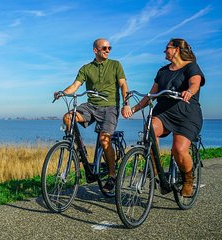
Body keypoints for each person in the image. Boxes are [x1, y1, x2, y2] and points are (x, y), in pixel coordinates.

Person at [127, 38, 205, 197]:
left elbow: (195, 83)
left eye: (167, 48)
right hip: (163, 112)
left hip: (186, 113)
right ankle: (156, 170)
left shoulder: (191, 67)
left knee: (179, 150)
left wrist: (189, 91)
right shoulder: (162, 71)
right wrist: (133, 109)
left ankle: (188, 179)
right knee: (150, 128)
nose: (165, 51)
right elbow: (150, 95)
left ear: (176, 49)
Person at [54, 38, 132, 192]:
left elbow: (123, 84)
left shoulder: (115, 65)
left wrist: (126, 103)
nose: (108, 50)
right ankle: (78, 152)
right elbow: (75, 85)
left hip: (110, 107)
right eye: (104, 48)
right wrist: (63, 92)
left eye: (110, 48)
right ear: (95, 50)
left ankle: (112, 175)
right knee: (68, 117)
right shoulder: (86, 68)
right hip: (91, 106)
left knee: (104, 141)